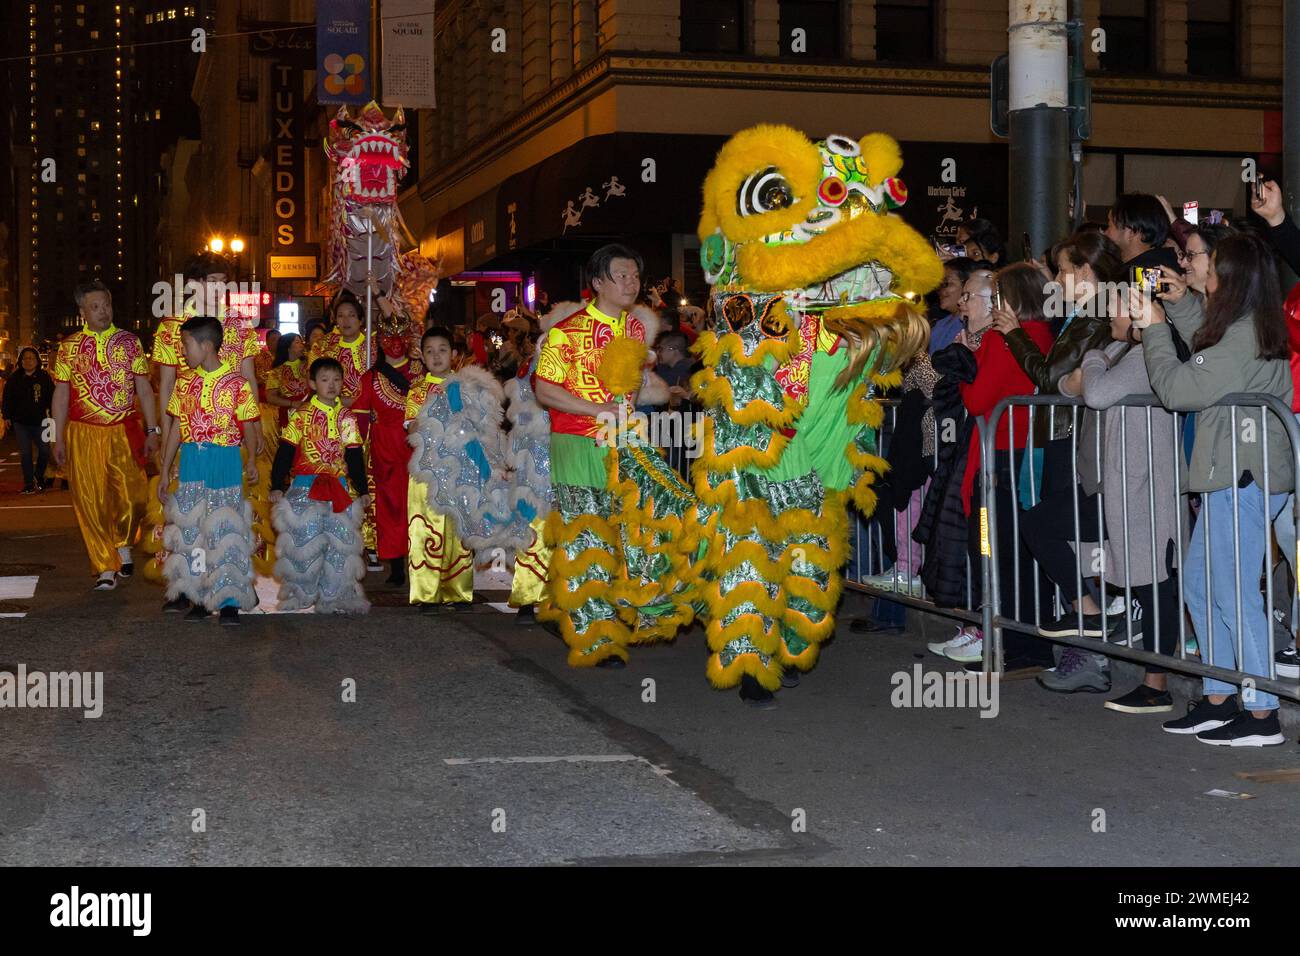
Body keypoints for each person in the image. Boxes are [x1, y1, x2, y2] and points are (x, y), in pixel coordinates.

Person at [1143, 233, 1293, 746]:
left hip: (1241, 479)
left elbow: (1181, 388)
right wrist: (1181, 308)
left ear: (1228, 278)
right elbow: (1209, 356)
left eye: (1202, 263)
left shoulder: (1242, 337)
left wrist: (1155, 332)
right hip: (1233, 476)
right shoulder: (1246, 328)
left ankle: (1260, 712)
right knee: (1203, 588)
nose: (1192, 270)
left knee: (1232, 593)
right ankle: (1219, 697)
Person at [533, 243, 692, 668]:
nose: (630, 283)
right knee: (588, 533)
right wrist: (597, 410)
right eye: (620, 276)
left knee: (631, 529)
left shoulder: (636, 332)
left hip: (625, 442)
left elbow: (637, 382)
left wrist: (642, 401)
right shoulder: (566, 332)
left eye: (635, 277)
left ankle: (590, 607)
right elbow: (544, 390)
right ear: (598, 282)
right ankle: (595, 636)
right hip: (579, 441)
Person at [1051, 287, 1184, 712]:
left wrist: (1091, 363)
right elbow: (1064, 386)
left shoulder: (1149, 356)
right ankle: (1091, 612)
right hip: (1116, 486)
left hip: (1147, 484)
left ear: (1136, 316)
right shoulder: (1115, 350)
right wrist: (1091, 367)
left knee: (1155, 581)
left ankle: (1156, 684)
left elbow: (1094, 393)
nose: (1108, 321)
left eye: (1114, 313)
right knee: (1044, 524)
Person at [925, 264, 1054, 666]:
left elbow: (978, 401)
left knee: (993, 550)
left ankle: (1010, 645)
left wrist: (964, 361)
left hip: (997, 460)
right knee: (1013, 553)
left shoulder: (1006, 340)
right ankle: (1019, 643)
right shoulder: (1038, 335)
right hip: (1019, 455)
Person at [52, 280, 161, 590]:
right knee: (90, 502)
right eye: (95, 307)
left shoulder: (130, 342)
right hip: (83, 433)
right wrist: (58, 437)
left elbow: (144, 388)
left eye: (107, 305)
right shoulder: (69, 348)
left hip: (123, 430)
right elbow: (61, 394)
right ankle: (104, 566)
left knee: (135, 497)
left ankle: (123, 542)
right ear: (83, 311)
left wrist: (152, 429)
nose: (103, 311)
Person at [157, 316, 260, 624]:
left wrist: (252, 459)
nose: (182, 351)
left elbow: (249, 425)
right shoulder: (185, 382)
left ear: (206, 345)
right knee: (193, 531)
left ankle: (229, 600)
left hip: (225, 460)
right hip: (191, 460)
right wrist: (165, 468)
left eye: (186, 344)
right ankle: (199, 595)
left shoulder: (237, 384)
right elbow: (177, 426)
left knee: (225, 530)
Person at [270, 357, 370, 614]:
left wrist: (362, 489)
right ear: (313, 383)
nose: (332, 385)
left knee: (340, 544)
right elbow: (286, 450)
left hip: (338, 488)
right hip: (306, 486)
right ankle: (300, 594)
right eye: (325, 380)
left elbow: (355, 454)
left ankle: (333, 597)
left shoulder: (346, 417)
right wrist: (277, 484)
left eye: (337, 379)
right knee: (303, 541)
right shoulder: (302, 414)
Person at [153, 253, 262, 457]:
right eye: (212, 282)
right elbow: (167, 385)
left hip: (232, 428)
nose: (219, 289)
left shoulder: (240, 323)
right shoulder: (171, 326)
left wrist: (255, 426)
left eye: (223, 282)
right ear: (193, 284)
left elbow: (248, 379)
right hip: (188, 428)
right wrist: (167, 434)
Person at [351, 289, 418, 587]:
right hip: (385, 453)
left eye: (399, 336)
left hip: (418, 451)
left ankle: (421, 560)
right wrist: (351, 451)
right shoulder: (370, 378)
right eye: (387, 337)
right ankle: (396, 565)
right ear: (378, 340)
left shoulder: (421, 372)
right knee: (390, 508)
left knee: (419, 506)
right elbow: (359, 420)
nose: (394, 343)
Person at [404, 327, 474, 611]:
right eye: (430, 351)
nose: (436, 356)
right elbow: (410, 426)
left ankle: (459, 591)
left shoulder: (465, 387)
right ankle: (426, 592)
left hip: (459, 469)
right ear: (422, 356)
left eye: (442, 349)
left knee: (459, 529)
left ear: (454, 354)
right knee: (426, 529)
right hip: (426, 470)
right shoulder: (417, 389)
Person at [2, 347, 54, 494]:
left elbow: (52, 398)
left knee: (45, 451)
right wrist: (6, 417)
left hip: (41, 422)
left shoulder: (44, 377)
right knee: (25, 454)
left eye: (31, 358)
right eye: (25, 358)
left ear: (37, 361)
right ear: (20, 361)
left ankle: (39, 476)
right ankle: (28, 484)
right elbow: (7, 399)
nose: (28, 361)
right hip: (20, 423)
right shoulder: (14, 378)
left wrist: (54, 415)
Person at [310, 291, 372, 407]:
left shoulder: (374, 345)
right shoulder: (322, 347)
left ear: (361, 320)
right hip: (336, 412)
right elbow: (315, 384)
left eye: (351, 315)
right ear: (335, 320)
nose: (346, 320)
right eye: (341, 315)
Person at [1105, 193, 1181, 273]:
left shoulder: (1145, 276)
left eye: (1109, 226)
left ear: (1132, 233)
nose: (1105, 233)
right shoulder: (1158, 265)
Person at [930, 258, 976, 354]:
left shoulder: (970, 324)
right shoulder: (940, 323)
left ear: (967, 284)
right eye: (939, 284)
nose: (940, 290)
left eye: (946, 284)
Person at [265, 333, 310, 427]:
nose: (302, 344)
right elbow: (270, 397)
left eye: (301, 342)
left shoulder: (309, 365)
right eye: (297, 342)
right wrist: (292, 403)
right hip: (290, 413)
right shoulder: (276, 371)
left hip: (310, 409)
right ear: (288, 347)